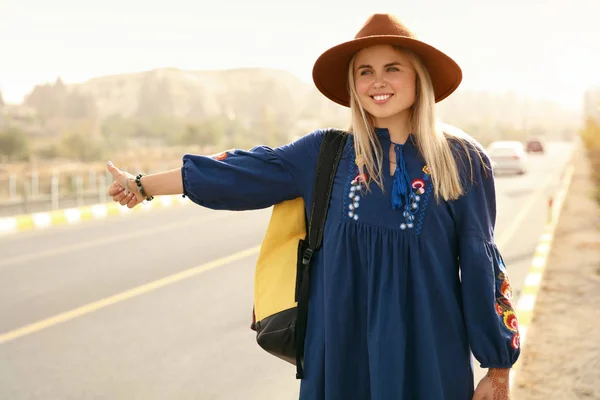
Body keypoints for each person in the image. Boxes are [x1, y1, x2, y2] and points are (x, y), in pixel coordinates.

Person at [107, 13, 520, 400]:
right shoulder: (325, 154)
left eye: (393, 68)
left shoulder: (462, 160)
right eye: (365, 71)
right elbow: (237, 172)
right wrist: (141, 185)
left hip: (429, 355)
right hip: (341, 353)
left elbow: (482, 262)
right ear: (353, 84)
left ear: (419, 78)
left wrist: (498, 366)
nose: (379, 81)